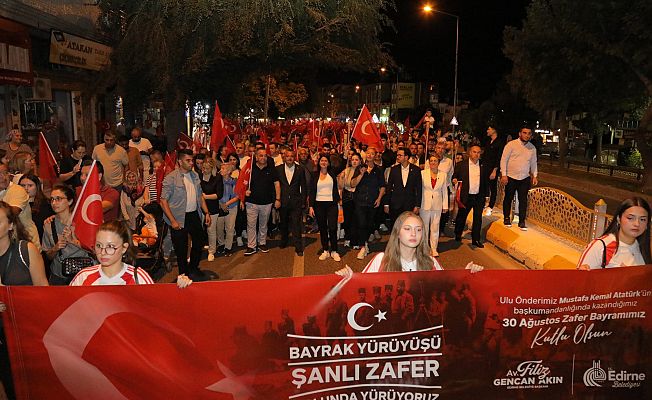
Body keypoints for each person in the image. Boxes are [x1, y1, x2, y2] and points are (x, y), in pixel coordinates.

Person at [0, 200, 48, 399]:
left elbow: (44, 294)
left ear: (11, 225)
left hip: (24, 334)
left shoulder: (25, 250)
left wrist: (12, 299)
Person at [336, 211, 483, 275]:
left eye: (418, 230)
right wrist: (349, 279)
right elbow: (361, 288)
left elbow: (447, 287)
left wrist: (466, 274)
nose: (413, 234)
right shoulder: (381, 260)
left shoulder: (430, 262)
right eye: (407, 229)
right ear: (397, 233)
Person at [70, 221, 192, 287]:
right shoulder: (83, 277)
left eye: (110, 247)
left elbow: (156, 309)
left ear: (124, 248)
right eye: (99, 246)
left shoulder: (138, 277)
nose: (102, 252)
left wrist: (180, 288)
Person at [160, 149, 213, 281]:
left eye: (191, 160)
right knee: (181, 248)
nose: (191, 163)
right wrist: (172, 221)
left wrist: (207, 212)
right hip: (178, 217)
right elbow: (163, 201)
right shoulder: (171, 178)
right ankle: (183, 273)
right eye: (188, 160)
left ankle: (193, 267)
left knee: (199, 241)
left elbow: (200, 196)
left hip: (193, 214)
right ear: (179, 161)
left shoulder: (195, 175)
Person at [577, 197, 651, 270]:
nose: (637, 224)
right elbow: (581, 276)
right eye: (630, 218)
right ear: (619, 219)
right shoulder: (601, 246)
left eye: (642, 219)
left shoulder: (645, 249)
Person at [41, 184, 91, 285]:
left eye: (58, 199)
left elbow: (94, 251)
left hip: (82, 274)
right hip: (58, 275)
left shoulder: (82, 222)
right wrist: (55, 248)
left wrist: (73, 241)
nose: (54, 203)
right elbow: (48, 255)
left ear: (70, 201)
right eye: (52, 199)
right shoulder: (48, 224)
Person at [243, 148, 280, 256]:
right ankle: (251, 246)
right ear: (256, 157)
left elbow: (277, 184)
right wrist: (245, 192)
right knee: (251, 225)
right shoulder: (250, 169)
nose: (263, 158)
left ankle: (262, 243)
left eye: (265, 155)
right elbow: (243, 182)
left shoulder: (271, 169)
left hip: (267, 202)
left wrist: (278, 199)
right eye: (261, 155)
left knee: (263, 225)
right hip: (251, 202)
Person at [500, 126, 538, 231]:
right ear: (520, 133)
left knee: (523, 200)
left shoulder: (532, 148)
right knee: (508, 198)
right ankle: (506, 218)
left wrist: (535, 175)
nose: (527, 135)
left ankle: (522, 221)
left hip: (524, 177)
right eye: (524, 133)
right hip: (511, 177)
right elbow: (504, 160)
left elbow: (533, 163)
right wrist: (504, 174)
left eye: (529, 133)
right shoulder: (511, 145)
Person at [350, 148, 385, 260]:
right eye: (368, 153)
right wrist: (361, 174)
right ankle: (363, 246)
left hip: (372, 201)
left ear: (375, 156)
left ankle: (365, 243)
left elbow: (382, 186)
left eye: (372, 153)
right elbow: (352, 184)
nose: (369, 155)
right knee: (361, 223)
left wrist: (379, 198)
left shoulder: (378, 170)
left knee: (370, 224)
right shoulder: (360, 167)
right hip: (360, 201)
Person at [453, 144, 488, 248]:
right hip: (466, 195)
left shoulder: (483, 165)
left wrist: (487, 196)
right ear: (469, 153)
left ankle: (475, 239)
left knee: (478, 218)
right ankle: (458, 233)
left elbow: (486, 182)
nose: (476, 154)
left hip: (479, 196)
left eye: (478, 152)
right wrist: (454, 180)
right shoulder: (461, 165)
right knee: (462, 216)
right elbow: (455, 176)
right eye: (474, 152)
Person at [309, 155, 341, 262]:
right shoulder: (314, 175)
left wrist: (345, 153)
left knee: (332, 227)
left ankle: (334, 251)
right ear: (319, 162)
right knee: (322, 228)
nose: (323, 162)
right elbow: (312, 191)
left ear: (328, 163)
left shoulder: (332, 173)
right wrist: (311, 206)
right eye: (321, 160)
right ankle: (325, 250)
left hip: (332, 204)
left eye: (326, 160)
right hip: (318, 204)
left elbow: (342, 164)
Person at [0, 163, 40, 249]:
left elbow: (11, 213)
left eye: (5, 173)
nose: (3, 177)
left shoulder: (18, 190)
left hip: (26, 245)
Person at [276, 150, 307, 256]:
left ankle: (298, 247)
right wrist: (276, 199)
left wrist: (303, 201)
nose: (289, 158)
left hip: (296, 201)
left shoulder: (300, 169)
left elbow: (303, 186)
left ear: (295, 158)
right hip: (283, 201)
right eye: (287, 156)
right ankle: (284, 241)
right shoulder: (278, 169)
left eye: (292, 156)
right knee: (283, 223)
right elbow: (275, 185)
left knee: (296, 224)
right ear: (284, 157)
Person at [384, 148, 422, 229]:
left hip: (409, 204)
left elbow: (419, 189)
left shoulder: (416, 170)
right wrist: (386, 204)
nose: (397, 157)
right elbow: (389, 187)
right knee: (395, 226)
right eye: (397, 155)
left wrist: (417, 205)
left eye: (400, 155)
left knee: (408, 226)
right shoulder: (394, 169)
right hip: (395, 204)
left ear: (406, 157)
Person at [420, 154, 449, 257]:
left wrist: (445, 205)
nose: (433, 162)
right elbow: (419, 190)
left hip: (437, 204)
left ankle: (434, 248)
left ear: (438, 162)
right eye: (431, 160)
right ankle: (424, 248)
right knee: (424, 227)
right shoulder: (422, 173)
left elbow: (444, 191)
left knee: (435, 227)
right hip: (425, 204)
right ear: (428, 162)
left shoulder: (443, 175)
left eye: (435, 161)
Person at [200, 158, 224, 261]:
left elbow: (219, 195)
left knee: (211, 230)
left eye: (206, 168)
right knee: (199, 229)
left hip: (212, 207)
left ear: (212, 168)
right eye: (203, 168)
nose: (204, 170)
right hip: (199, 207)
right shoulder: (199, 176)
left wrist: (205, 197)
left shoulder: (217, 177)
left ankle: (212, 251)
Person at [19, 174, 54, 242]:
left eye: (30, 185)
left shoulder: (47, 205)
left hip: (40, 241)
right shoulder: (16, 205)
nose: (26, 188)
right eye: (22, 185)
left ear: (37, 187)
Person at [216, 161, 239, 256]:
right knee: (219, 227)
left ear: (229, 171)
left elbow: (237, 196)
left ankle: (228, 247)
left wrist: (226, 204)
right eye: (220, 168)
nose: (220, 170)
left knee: (230, 228)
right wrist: (221, 204)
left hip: (232, 207)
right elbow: (215, 193)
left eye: (223, 169)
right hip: (219, 207)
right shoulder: (217, 181)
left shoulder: (234, 181)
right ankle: (221, 244)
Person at [483, 126, 504, 215]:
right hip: (485, 167)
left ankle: (491, 206)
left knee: (492, 187)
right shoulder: (488, 141)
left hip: (493, 169)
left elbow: (499, 157)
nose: (487, 131)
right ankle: (484, 202)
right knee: (484, 185)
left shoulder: (500, 143)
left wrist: (495, 170)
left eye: (489, 129)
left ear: (494, 130)